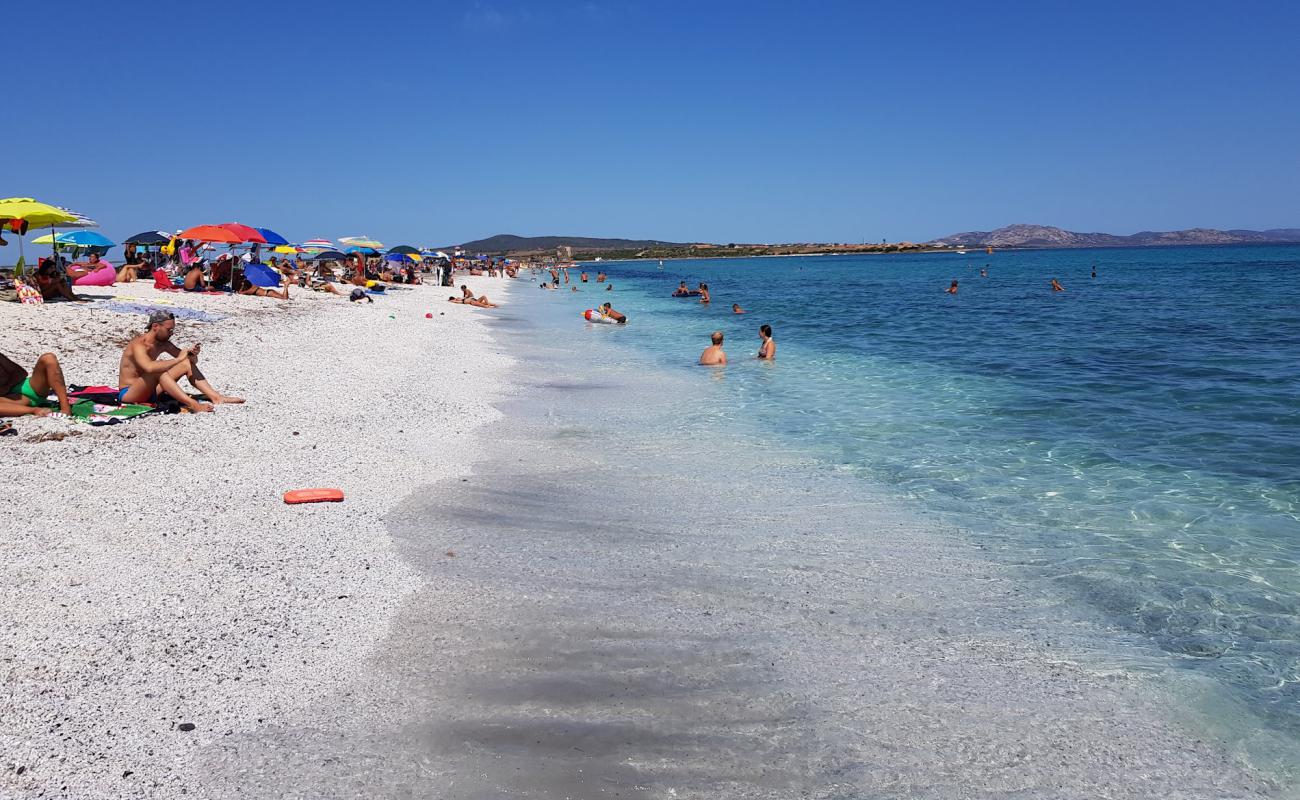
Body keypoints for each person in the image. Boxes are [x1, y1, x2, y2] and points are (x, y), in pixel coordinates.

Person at [118, 311, 244, 412]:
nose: (171, 333)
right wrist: (178, 359)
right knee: (158, 370)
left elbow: (189, 361)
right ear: (155, 326)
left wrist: (192, 355)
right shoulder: (138, 345)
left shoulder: (163, 344)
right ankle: (192, 404)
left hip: (151, 390)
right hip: (130, 394)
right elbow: (149, 368)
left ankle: (216, 397)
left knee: (185, 364)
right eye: (169, 330)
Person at [0, 351, 72, 417]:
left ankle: (65, 407)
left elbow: (20, 374)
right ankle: (34, 410)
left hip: (24, 386)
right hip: (8, 400)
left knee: (48, 358)